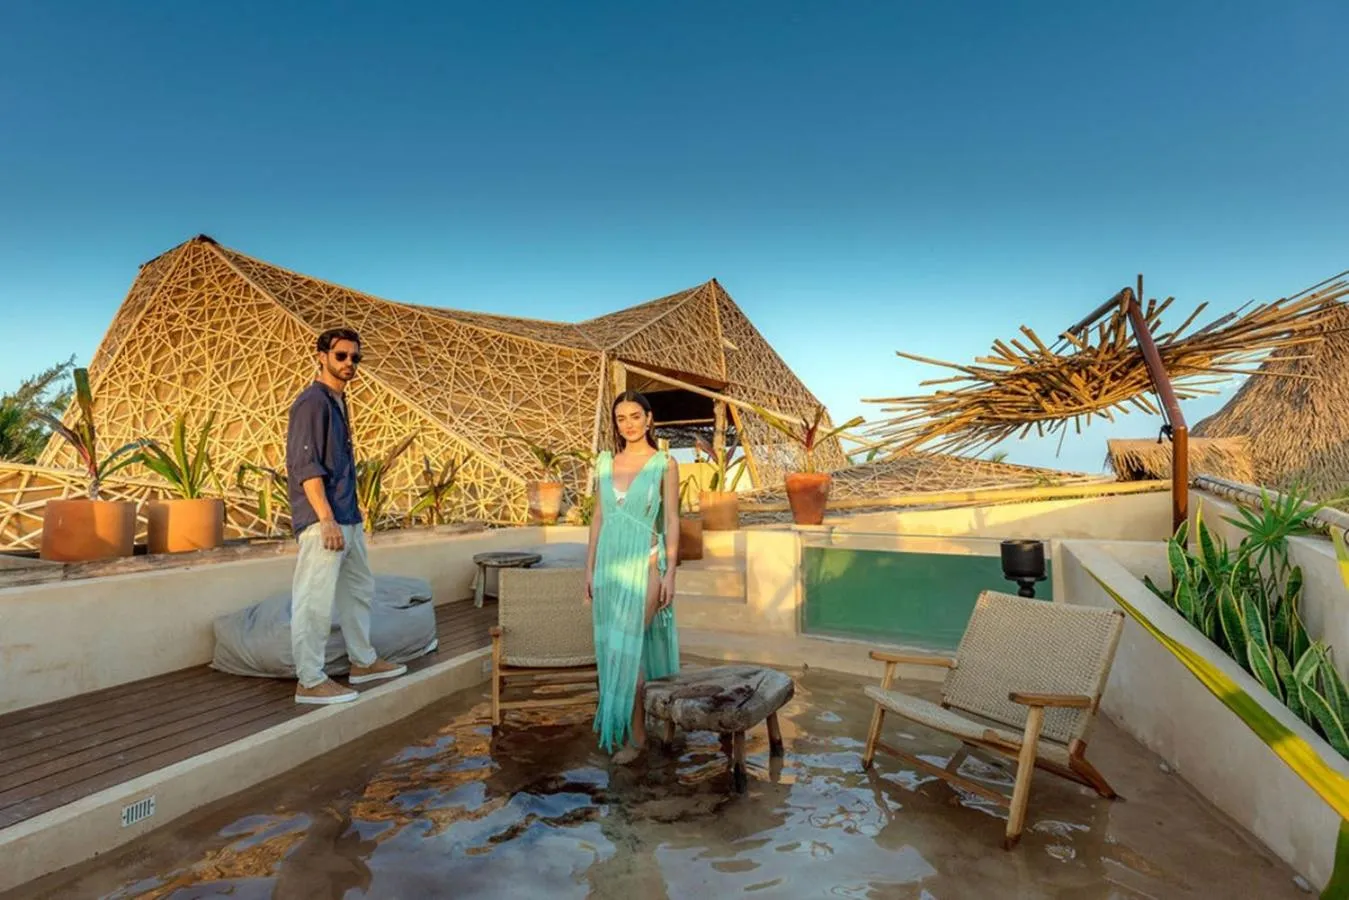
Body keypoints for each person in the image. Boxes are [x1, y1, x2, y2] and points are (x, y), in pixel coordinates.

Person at [285, 327, 407, 705]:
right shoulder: (313, 403)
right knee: (314, 600)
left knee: (358, 591)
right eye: (341, 356)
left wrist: (350, 516)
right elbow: (306, 465)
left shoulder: (338, 402)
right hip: (326, 521)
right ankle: (309, 679)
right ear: (322, 356)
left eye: (355, 357)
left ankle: (362, 662)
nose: (349, 363)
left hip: (347, 517)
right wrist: (326, 518)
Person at [585, 390, 681, 764]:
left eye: (635, 416)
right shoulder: (605, 462)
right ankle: (634, 730)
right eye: (621, 418)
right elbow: (597, 519)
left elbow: (672, 520)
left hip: (646, 564)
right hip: (609, 567)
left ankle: (638, 739)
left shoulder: (664, 464)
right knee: (614, 650)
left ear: (649, 418)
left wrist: (670, 572)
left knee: (628, 647)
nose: (628, 424)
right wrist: (588, 569)